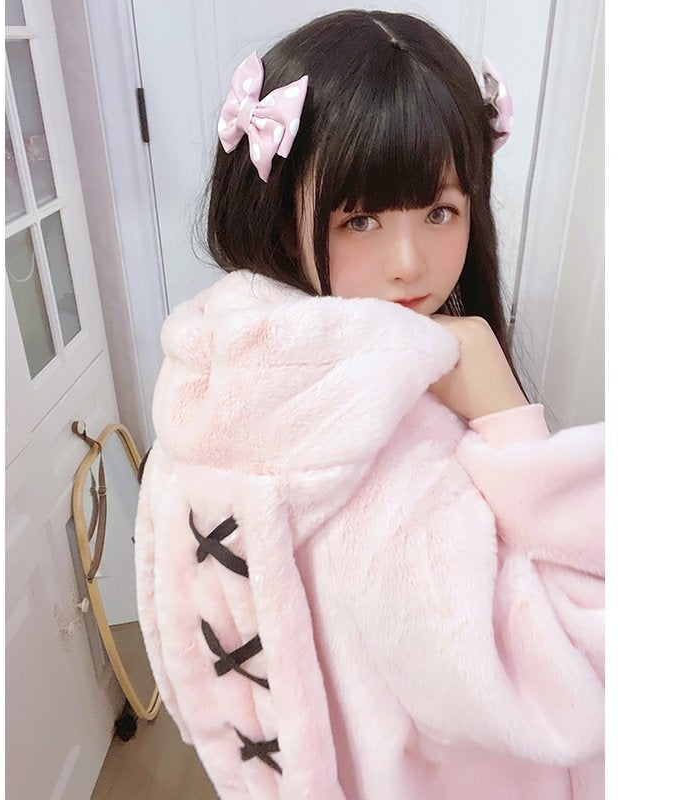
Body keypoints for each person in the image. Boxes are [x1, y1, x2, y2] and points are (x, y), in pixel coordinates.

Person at [134, 9, 604, 800]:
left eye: (440, 211)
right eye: (361, 219)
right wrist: (508, 416)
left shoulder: (212, 379)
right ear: (282, 212)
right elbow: (584, 678)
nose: (410, 262)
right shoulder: (395, 469)